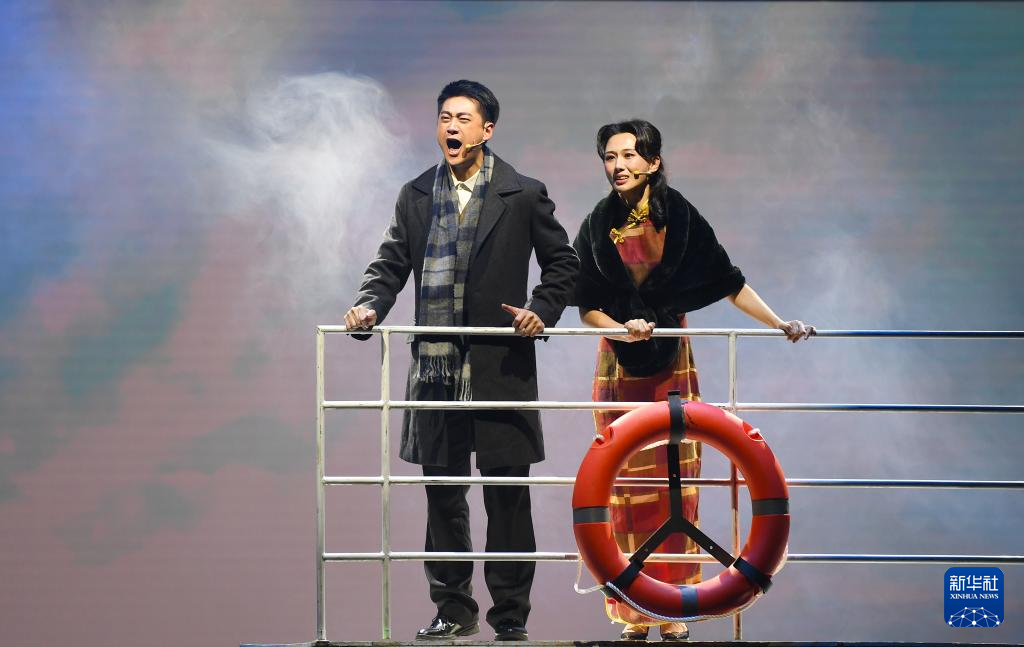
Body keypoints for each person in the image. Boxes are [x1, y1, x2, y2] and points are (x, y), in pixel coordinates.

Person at [344, 80, 578, 642]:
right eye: (444, 117)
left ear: (486, 129)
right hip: (437, 370)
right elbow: (390, 264)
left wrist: (540, 311)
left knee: (507, 497)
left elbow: (563, 264)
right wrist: (369, 305)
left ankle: (511, 618)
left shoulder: (523, 194)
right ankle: (453, 610)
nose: (451, 126)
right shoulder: (416, 195)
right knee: (443, 495)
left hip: (501, 366)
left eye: (463, 118)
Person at [573, 119, 813, 642]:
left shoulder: (679, 216)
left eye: (629, 155)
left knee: (676, 485)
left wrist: (779, 323)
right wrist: (622, 328)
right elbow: (585, 305)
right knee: (624, 485)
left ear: (653, 161)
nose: (619, 165)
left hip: (671, 362)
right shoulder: (595, 225)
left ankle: (673, 608)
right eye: (610, 157)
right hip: (618, 362)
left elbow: (730, 281)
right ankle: (634, 613)